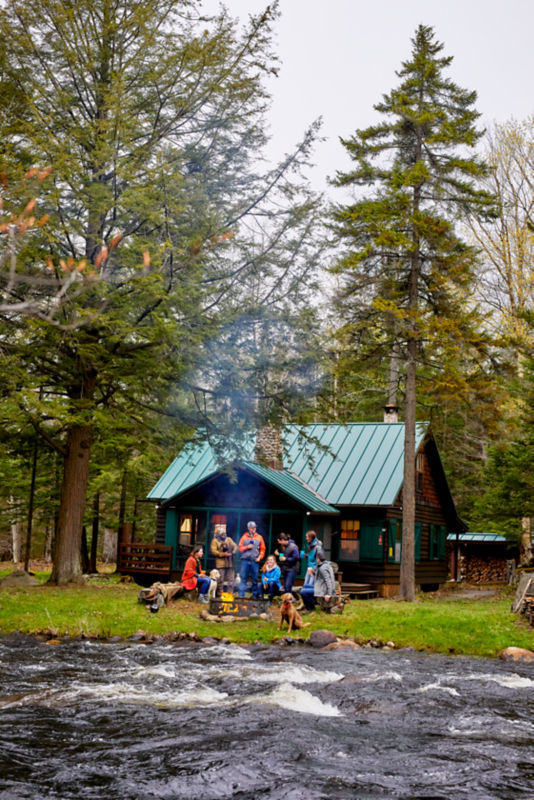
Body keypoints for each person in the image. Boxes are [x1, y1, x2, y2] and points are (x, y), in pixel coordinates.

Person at [237, 521, 265, 598]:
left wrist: (260, 557)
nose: (253, 529)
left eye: (254, 528)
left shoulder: (259, 537)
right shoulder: (244, 537)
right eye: (252, 528)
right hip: (245, 561)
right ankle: (241, 596)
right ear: (248, 528)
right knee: (243, 578)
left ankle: (254, 596)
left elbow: (263, 549)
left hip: (254, 561)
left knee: (255, 579)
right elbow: (240, 548)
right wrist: (247, 547)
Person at [210, 525, 237, 596]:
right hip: (220, 563)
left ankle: (229, 594)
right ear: (218, 534)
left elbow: (235, 546)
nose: (223, 535)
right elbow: (214, 551)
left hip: (230, 562)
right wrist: (223, 554)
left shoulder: (228, 539)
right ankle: (219, 595)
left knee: (231, 579)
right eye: (222, 534)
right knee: (220, 580)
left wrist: (232, 553)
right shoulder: (215, 541)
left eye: (224, 533)